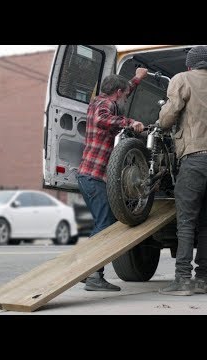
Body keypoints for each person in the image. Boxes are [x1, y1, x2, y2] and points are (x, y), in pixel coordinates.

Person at [157, 46, 207, 296]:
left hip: (195, 159)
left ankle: (183, 280)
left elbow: (169, 115)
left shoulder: (182, 79)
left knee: (186, 222)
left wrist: (161, 121)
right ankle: (202, 279)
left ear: (190, 66)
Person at [77, 68, 147, 291]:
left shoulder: (101, 100)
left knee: (102, 224)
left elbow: (119, 95)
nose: (126, 97)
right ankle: (94, 276)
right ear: (117, 92)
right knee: (105, 225)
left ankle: (86, 270)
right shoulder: (102, 106)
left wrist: (136, 79)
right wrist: (131, 122)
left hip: (90, 176)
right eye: (125, 94)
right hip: (94, 176)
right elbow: (102, 119)